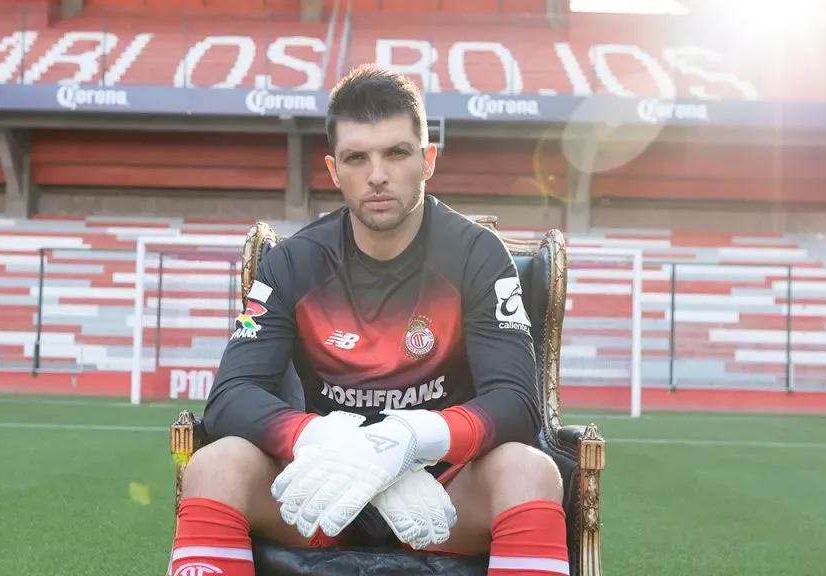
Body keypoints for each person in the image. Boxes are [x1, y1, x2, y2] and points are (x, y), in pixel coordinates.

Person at [167, 63, 567, 576]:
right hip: (320, 486)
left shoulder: (478, 255)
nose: (377, 174)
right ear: (335, 171)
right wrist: (321, 440)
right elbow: (231, 395)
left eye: (396, 153)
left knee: (529, 470)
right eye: (357, 157)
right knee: (214, 464)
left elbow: (516, 403)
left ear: (427, 160)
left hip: (441, 491)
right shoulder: (292, 261)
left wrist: (406, 441)